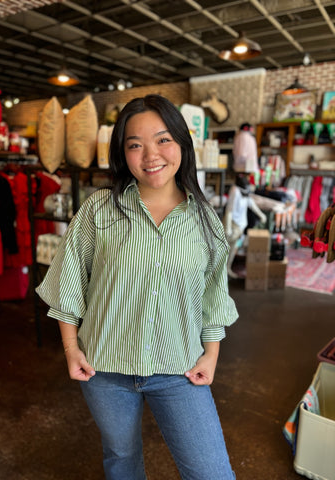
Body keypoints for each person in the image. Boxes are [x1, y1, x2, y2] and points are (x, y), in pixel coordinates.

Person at [36, 94, 238, 480]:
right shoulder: (99, 210)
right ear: (122, 153)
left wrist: (210, 354)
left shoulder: (205, 220)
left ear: (182, 143)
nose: (150, 155)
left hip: (180, 369)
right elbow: (68, 281)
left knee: (212, 472)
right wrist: (71, 349)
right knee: (121, 460)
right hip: (104, 369)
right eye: (135, 145)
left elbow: (213, 296)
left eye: (163, 139)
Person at [224, 173, 267, 278]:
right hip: (233, 225)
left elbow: (251, 204)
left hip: (240, 227)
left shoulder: (246, 191)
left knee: (232, 250)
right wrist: (227, 228)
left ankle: (227, 269)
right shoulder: (235, 191)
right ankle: (218, 274)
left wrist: (261, 215)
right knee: (224, 251)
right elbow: (229, 210)